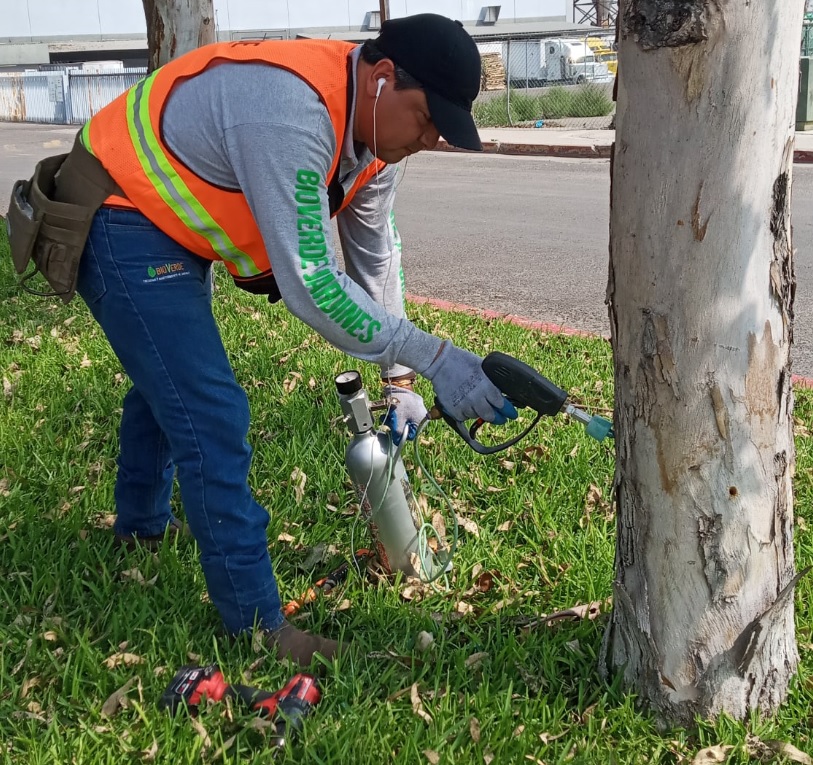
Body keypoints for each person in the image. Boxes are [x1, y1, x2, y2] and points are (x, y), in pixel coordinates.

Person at [46, 13, 517, 665]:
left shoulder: (377, 140)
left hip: (171, 215)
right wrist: (436, 356)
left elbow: (373, 257)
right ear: (383, 78)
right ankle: (260, 628)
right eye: (429, 117)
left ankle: (140, 533)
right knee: (210, 413)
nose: (432, 136)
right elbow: (311, 286)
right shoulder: (291, 110)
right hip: (119, 210)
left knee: (168, 377)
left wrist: (399, 382)